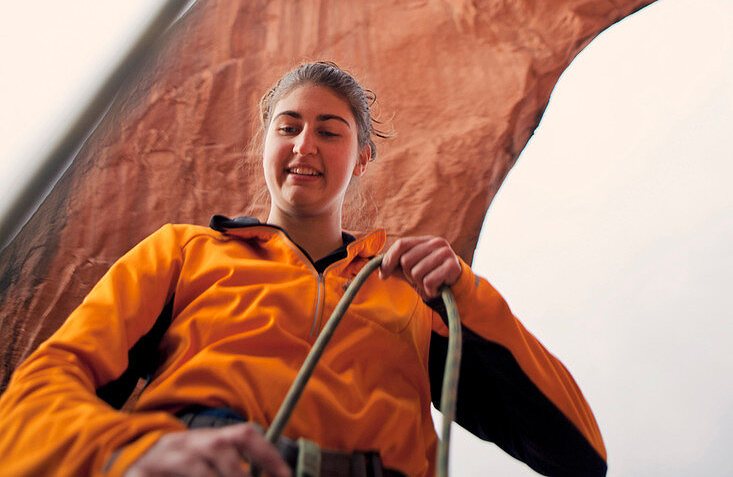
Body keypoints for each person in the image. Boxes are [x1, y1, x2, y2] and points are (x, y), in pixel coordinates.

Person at [0, 61, 608, 476]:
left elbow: (579, 453)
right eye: (287, 127)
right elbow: (38, 391)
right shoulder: (186, 252)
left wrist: (467, 297)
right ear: (266, 145)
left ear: (362, 159)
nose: (304, 146)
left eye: (330, 131)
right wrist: (124, 456)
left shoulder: (412, 294)